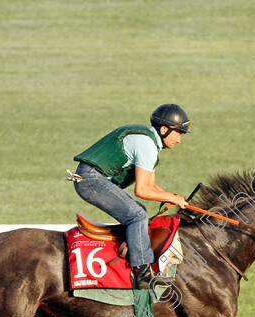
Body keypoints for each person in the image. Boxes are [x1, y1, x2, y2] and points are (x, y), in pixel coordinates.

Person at [70, 104, 191, 289]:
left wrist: (171, 196)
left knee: (138, 211)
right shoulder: (146, 145)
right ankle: (143, 273)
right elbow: (142, 190)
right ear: (164, 129)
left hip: (91, 177)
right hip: (90, 179)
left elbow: (151, 185)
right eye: (178, 133)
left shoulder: (149, 143)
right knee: (137, 215)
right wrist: (173, 199)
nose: (179, 140)